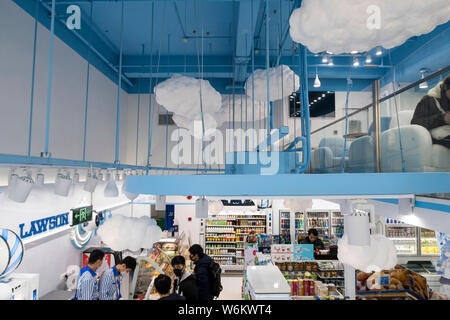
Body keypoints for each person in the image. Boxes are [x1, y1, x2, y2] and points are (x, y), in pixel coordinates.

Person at [411, 75, 450, 149]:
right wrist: (443, 119)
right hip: (437, 137)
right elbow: (415, 123)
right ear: (446, 88)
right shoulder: (428, 100)